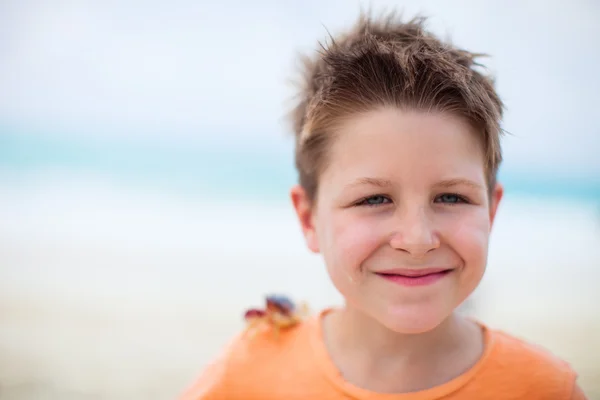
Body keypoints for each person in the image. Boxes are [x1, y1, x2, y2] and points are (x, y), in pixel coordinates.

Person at [179, 11, 587, 399]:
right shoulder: (247, 375)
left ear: (491, 212)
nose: (417, 239)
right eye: (374, 198)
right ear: (308, 218)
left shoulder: (545, 389)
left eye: (451, 197)